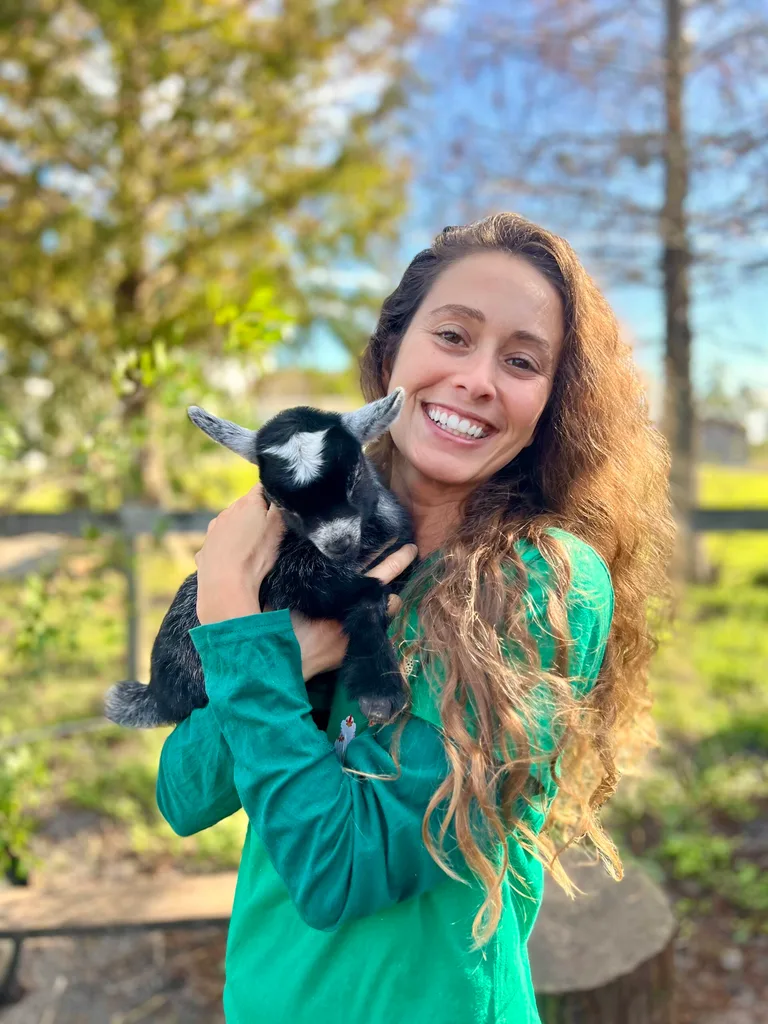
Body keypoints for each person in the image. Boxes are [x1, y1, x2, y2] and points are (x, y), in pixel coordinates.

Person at [156, 213, 674, 1024]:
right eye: (453, 335)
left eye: (522, 361)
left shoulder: (542, 585)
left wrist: (232, 613)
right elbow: (182, 796)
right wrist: (283, 655)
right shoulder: (311, 543)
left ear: (550, 401)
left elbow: (340, 870)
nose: (477, 379)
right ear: (391, 351)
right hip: (265, 1000)